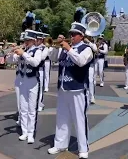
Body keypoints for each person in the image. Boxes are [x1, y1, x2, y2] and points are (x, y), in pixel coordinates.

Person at [48, 22, 93, 159]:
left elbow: (81, 61)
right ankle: (60, 144)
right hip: (63, 88)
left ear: (81, 35)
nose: (71, 36)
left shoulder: (87, 49)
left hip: (77, 89)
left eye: (74, 34)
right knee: (61, 118)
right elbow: (53, 58)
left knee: (79, 120)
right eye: (70, 34)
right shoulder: (65, 48)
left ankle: (83, 148)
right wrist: (56, 47)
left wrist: (68, 49)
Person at [6, 30, 42, 144]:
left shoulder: (37, 50)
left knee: (32, 109)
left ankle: (31, 133)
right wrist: (11, 53)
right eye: (25, 40)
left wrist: (23, 54)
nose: (25, 42)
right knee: (23, 108)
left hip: (33, 82)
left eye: (28, 40)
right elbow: (10, 61)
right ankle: (24, 131)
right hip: (22, 81)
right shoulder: (22, 51)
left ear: (33, 40)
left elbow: (35, 63)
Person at [36, 33, 49, 112]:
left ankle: (39, 103)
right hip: (33, 69)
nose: (36, 41)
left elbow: (43, 57)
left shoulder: (44, 48)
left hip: (40, 69)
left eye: (38, 39)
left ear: (41, 40)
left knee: (40, 88)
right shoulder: (33, 47)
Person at [84, 36, 97, 104]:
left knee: (90, 81)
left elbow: (95, 49)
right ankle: (85, 95)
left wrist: (88, 42)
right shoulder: (82, 44)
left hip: (90, 65)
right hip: (83, 64)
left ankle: (92, 97)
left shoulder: (92, 44)